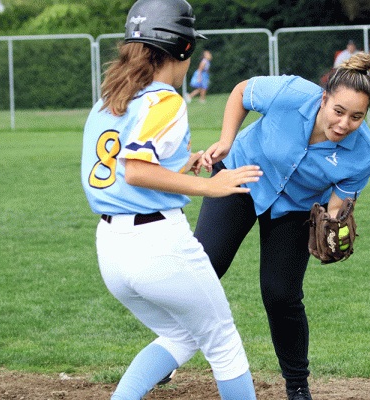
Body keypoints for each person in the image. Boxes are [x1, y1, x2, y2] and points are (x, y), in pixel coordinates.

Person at [80, 1, 262, 399]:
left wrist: (182, 165)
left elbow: (124, 171)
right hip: (157, 242)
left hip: (111, 249)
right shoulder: (167, 100)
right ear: (182, 50)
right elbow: (137, 170)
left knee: (181, 334)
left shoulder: (109, 100)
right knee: (223, 342)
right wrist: (211, 186)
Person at [193, 52, 370, 400]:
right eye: (338, 111)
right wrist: (227, 140)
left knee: (281, 294)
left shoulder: (364, 153)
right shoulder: (291, 93)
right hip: (242, 176)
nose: (344, 125)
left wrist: (334, 228)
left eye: (357, 117)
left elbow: (337, 206)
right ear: (324, 99)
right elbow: (241, 92)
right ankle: (169, 349)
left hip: (296, 208)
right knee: (203, 267)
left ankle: (297, 388)